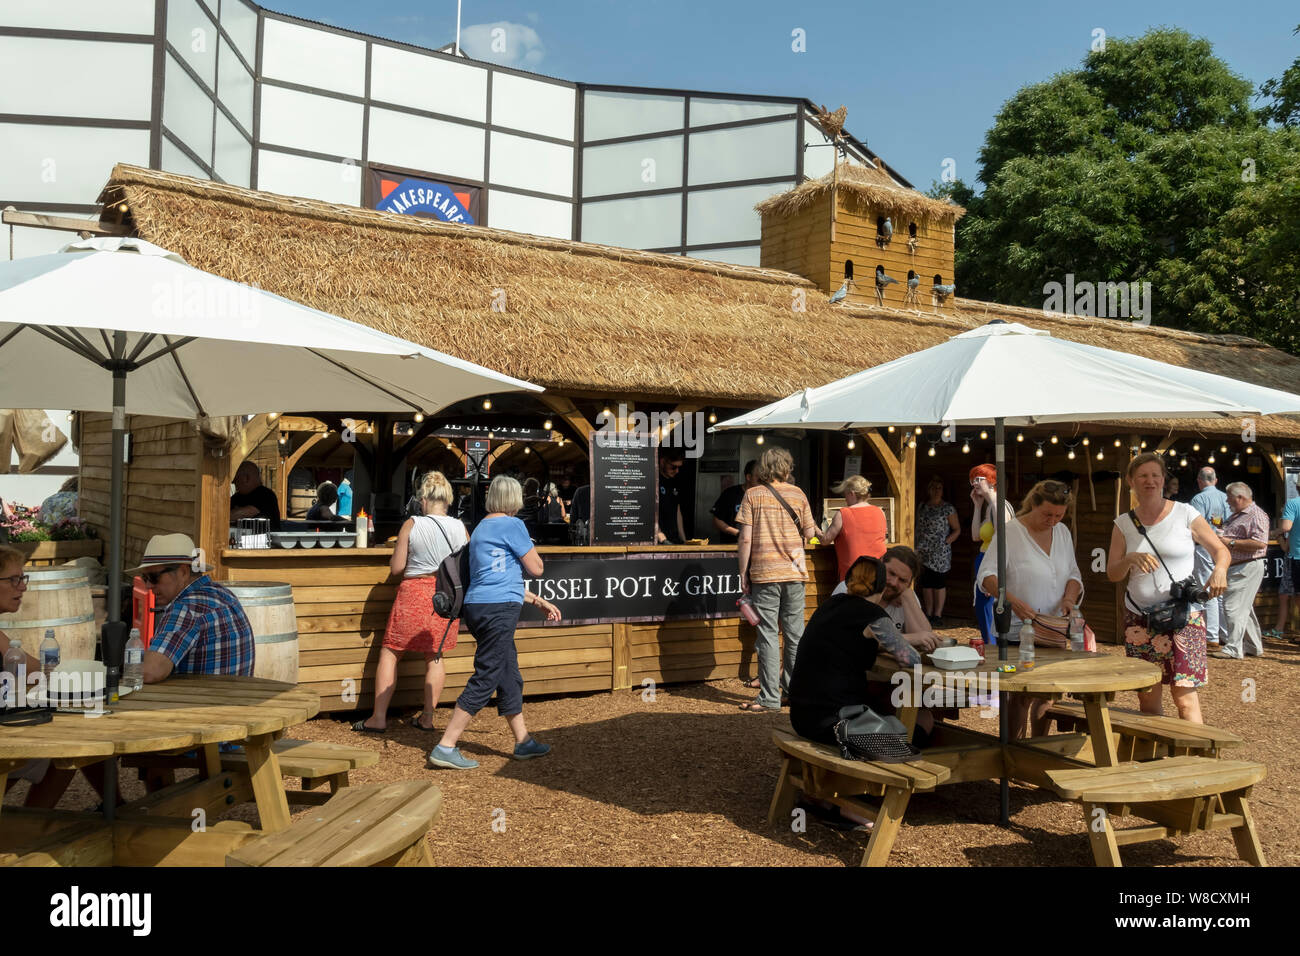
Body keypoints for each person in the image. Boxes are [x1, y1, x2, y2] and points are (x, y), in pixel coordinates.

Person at [428, 475, 560, 770]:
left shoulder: (481, 528)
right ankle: (446, 745)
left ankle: (523, 741)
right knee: (487, 675)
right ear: (514, 499)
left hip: (478, 608)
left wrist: (537, 601)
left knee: (508, 672)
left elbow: (493, 579)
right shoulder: (513, 525)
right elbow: (536, 568)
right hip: (500, 611)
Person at [1107, 453, 1229, 723]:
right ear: (1131, 481)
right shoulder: (1123, 524)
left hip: (1184, 617)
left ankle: (1195, 761)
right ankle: (1157, 759)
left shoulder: (1186, 513)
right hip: (1140, 618)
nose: (1149, 481)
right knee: (1147, 696)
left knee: (1185, 698)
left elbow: (1221, 550)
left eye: (1155, 475)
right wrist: (1128, 559)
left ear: (1163, 479)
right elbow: (1113, 575)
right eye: (1142, 476)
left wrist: (1220, 569)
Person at [354, 472, 466, 734]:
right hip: (445, 596)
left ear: (424, 499)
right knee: (435, 657)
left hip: (414, 593)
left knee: (391, 652)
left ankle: (378, 717)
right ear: (447, 499)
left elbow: (397, 568)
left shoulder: (412, 524)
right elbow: (467, 568)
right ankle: (427, 718)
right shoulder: (460, 528)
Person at [790, 554, 940, 749]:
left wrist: (883, 644)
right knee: (922, 719)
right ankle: (901, 767)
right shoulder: (873, 615)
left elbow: (848, 641)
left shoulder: (830, 605)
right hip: (836, 723)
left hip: (802, 717)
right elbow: (910, 660)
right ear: (881, 587)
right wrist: (904, 642)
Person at [979, 480, 1084, 738]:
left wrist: (1069, 599)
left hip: (1052, 628)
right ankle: (1013, 751)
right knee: (1017, 693)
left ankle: (1039, 747)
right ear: (1033, 505)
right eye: (1047, 514)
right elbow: (987, 576)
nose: (1053, 520)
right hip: (1015, 631)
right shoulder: (1009, 533)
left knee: (1047, 693)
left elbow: (1073, 573)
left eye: (1059, 515)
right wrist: (1013, 602)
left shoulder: (1062, 533)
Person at [735, 447, 818, 711]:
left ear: (763, 468)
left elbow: (745, 538)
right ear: (787, 467)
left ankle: (770, 698)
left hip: (765, 573)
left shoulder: (752, 495)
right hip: (795, 572)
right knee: (795, 635)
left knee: (767, 636)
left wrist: (742, 572)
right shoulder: (798, 494)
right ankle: (793, 692)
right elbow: (808, 533)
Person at [135, 534, 255, 682]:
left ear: (183, 572)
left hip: (198, 703)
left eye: (154, 577)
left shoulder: (185, 609)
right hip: (235, 700)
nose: (148, 586)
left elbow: (150, 671)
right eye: (145, 578)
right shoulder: (225, 595)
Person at [1214, 482, 1270, 660]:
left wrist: (1229, 542)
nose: (1227, 500)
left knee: (1232, 607)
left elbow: (1260, 543)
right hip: (1240, 566)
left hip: (1247, 566)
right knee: (1244, 609)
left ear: (1240, 497)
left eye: (1229, 496)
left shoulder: (1256, 515)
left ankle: (1233, 648)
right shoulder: (1238, 515)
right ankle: (1254, 646)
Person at [969, 463, 1016, 645]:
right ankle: (989, 646)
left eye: (978, 479)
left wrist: (994, 575)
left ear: (991, 481)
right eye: (972, 480)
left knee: (990, 612)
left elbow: (1003, 544)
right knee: (983, 611)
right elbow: (975, 536)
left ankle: (993, 649)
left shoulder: (999, 506)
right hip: (984, 560)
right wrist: (977, 506)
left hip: (992, 564)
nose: (974, 483)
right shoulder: (990, 507)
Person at [1188, 467, 1229, 647]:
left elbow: (1194, 527)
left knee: (1207, 588)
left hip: (1204, 547)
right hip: (1222, 546)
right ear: (1216, 480)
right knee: (1219, 591)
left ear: (1199, 481)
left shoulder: (1199, 499)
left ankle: (1211, 636)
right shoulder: (1225, 497)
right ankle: (1224, 633)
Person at [820, 475, 888, 579]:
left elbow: (825, 540)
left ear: (851, 494)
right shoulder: (880, 512)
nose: (845, 498)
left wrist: (814, 528)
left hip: (853, 576)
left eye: (845, 494)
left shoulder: (843, 514)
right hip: (878, 573)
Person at [915, 476, 960, 625]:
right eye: (933, 487)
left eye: (939, 487)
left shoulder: (948, 508)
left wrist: (947, 542)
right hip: (923, 551)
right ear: (928, 490)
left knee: (938, 583)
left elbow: (957, 529)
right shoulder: (922, 506)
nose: (936, 490)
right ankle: (928, 613)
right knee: (927, 583)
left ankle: (938, 614)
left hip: (940, 553)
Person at [710, 459, 758, 544]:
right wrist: (738, 533)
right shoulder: (730, 493)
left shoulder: (765, 496)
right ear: (748, 477)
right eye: (759, 476)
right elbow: (717, 520)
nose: (763, 479)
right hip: (731, 545)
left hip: (757, 546)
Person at [1277, 474, 1300, 642]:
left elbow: (1286, 527)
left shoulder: (1293, 504)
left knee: (1298, 596)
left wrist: (1274, 532)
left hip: (1297, 556)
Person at [230, 461, 282, 530]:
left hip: (264, 539)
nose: (234, 483)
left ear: (246, 478)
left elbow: (247, 512)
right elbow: (224, 510)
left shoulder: (266, 495)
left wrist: (225, 516)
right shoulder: (236, 497)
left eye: (236, 479)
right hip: (241, 539)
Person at [656, 449, 687, 544]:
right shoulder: (654, 481)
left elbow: (677, 511)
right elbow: (647, 513)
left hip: (674, 539)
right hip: (659, 541)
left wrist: (684, 539)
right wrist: (661, 537)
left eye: (679, 467)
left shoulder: (675, 482)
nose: (677, 471)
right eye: (673, 467)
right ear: (662, 462)